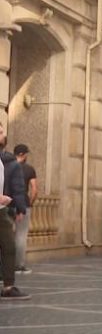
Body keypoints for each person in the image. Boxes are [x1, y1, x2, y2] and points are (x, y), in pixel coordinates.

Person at [0, 126, 30, 300]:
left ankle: (8, 286)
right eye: (1, 133)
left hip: (1, 211)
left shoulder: (3, 161)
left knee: (9, 245)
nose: (4, 136)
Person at [12, 145, 37, 274]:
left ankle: (6, 264)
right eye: (26, 154)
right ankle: (19, 265)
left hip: (8, 203)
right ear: (22, 154)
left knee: (6, 235)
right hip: (24, 204)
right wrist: (31, 202)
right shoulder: (29, 169)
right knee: (21, 236)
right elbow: (34, 189)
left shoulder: (7, 166)